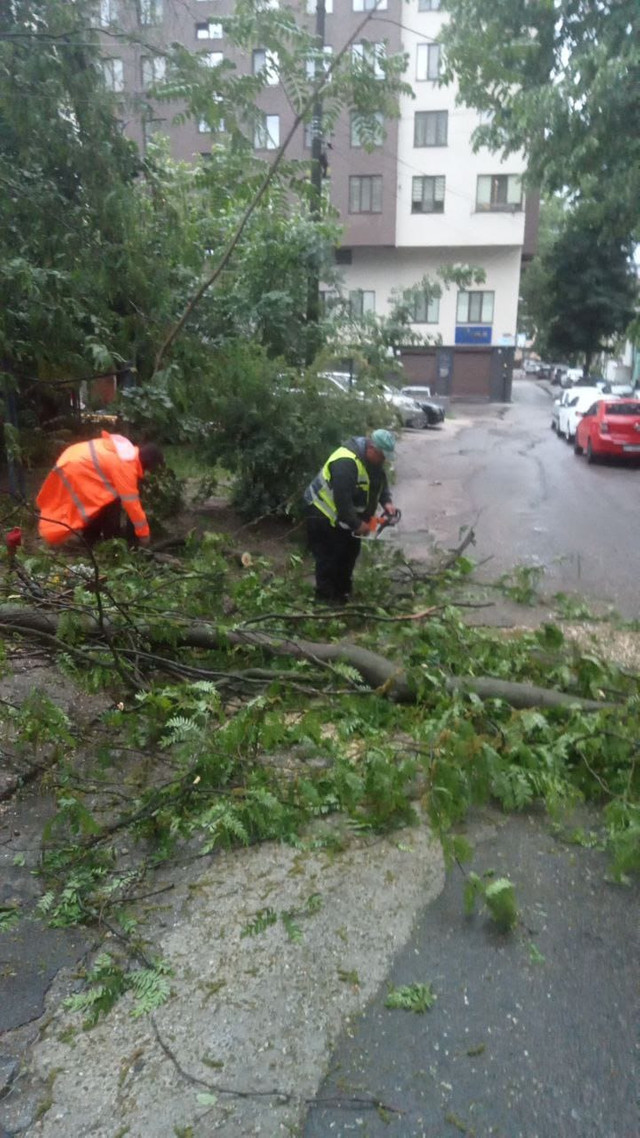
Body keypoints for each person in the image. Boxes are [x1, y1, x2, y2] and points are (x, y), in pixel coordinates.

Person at [304, 429, 399, 604]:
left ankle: (343, 595)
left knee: (349, 554)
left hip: (346, 516)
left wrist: (387, 502)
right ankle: (325, 602)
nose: (383, 461)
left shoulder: (374, 462)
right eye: (381, 456)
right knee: (329, 558)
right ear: (371, 448)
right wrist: (358, 525)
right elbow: (343, 503)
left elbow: (379, 483)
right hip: (322, 514)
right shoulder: (345, 463)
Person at [36, 431, 164, 548]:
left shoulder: (127, 453)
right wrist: (144, 535)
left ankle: (92, 538)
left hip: (74, 458)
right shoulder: (126, 467)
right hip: (77, 469)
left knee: (103, 500)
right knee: (89, 506)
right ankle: (108, 541)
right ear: (147, 463)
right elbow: (132, 505)